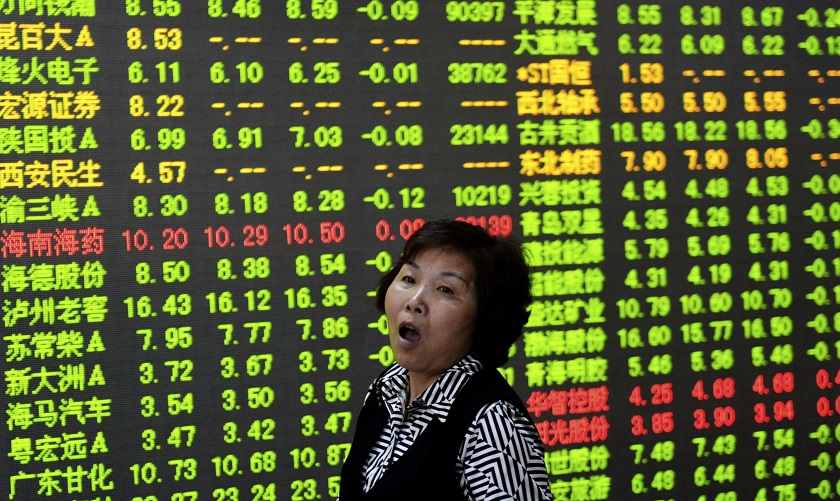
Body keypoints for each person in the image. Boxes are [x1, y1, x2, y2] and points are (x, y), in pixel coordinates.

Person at [340, 219, 553, 500]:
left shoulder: (492, 423)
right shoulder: (387, 388)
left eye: (446, 290)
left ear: (485, 317)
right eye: (409, 279)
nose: (415, 300)